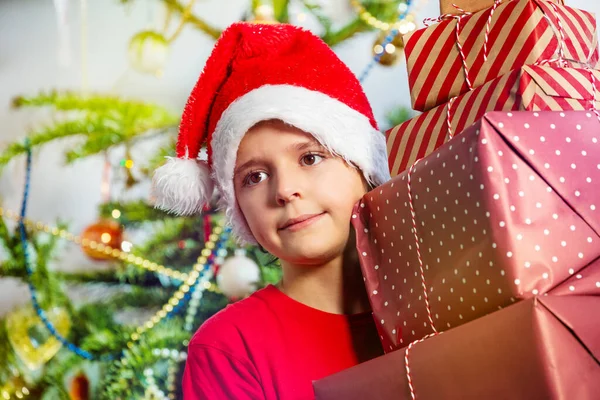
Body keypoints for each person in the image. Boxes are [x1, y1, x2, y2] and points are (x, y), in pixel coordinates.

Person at [152, 21, 391, 400]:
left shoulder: (437, 300)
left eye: (310, 157)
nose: (284, 190)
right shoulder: (229, 349)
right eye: (254, 177)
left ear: (365, 166)